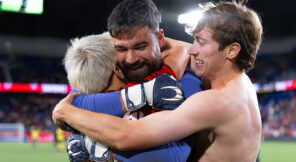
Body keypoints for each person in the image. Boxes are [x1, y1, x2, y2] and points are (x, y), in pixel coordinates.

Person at [53, 1, 263, 162]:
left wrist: (67, 111)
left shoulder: (215, 101)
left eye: (200, 41)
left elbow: (128, 137)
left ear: (232, 50)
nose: (192, 49)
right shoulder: (239, 83)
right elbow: (175, 47)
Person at [59, 0, 204, 161]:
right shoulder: (113, 72)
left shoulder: (186, 79)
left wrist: (97, 144)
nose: (131, 59)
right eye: (122, 49)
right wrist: (66, 113)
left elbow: (172, 155)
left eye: (140, 47)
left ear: (116, 71)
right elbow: (74, 104)